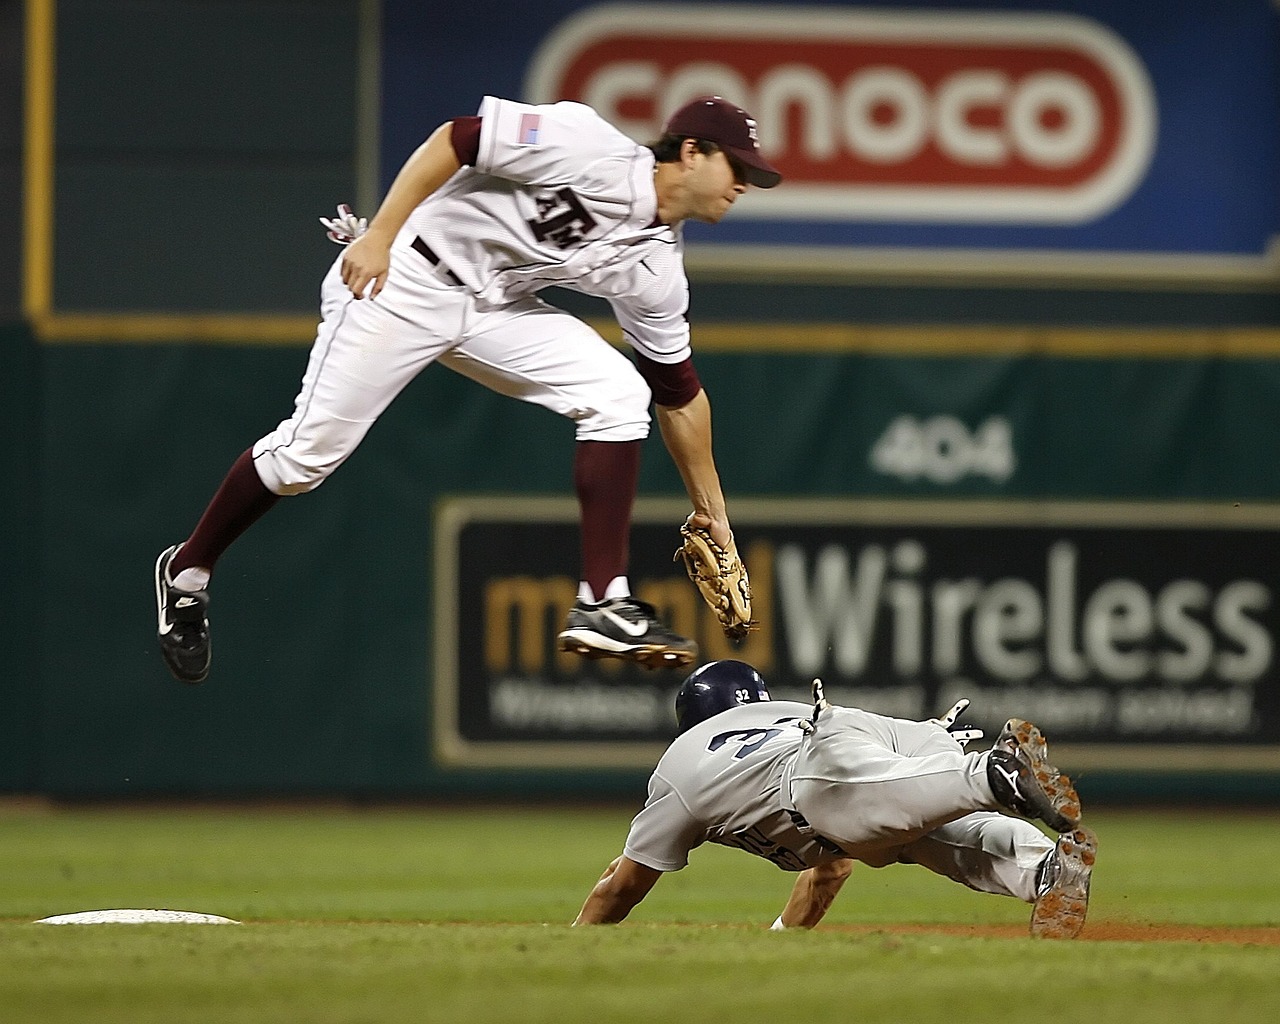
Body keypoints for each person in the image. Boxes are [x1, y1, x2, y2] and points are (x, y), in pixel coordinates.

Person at [153, 95, 782, 684]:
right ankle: (187, 572)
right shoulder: (589, 145)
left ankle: (601, 603)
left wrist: (715, 513)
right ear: (692, 151)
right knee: (304, 459)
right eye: (738, 167)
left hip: (495, 307)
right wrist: (380, 234)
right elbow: (456, 140)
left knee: (618, 390)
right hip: (405, 277)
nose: (743, 186)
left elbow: (677, 391)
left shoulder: (658, 271)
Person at [574, 660, 1098, 939]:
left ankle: (994, 772)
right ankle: (1047, 870)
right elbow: (831, 871)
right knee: (920, 836)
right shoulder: (774, 713)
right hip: (853, 735)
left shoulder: (683, 768)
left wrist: (574, 945)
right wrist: (778, 942)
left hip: (812, 781)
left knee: (929, 797)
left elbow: (620, 889)